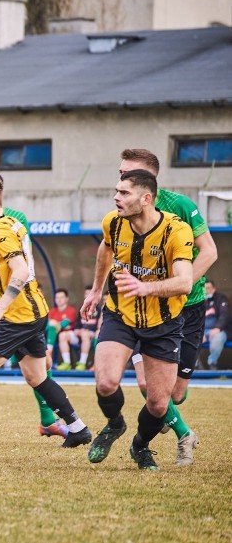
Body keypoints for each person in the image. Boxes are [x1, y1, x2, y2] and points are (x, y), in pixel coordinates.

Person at [0, 173, 92, 450]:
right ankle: (78, 429)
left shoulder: (0, 231)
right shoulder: (12, 223)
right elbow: (22, 266)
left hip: (18, 315)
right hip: (35, 309)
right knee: (36, 376)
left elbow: (20, 270)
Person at [109, 148, 217, 466]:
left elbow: (209, 252)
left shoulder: (181, 206)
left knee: (176, 393)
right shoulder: (123, 207)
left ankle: (171, 429)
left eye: (126, 173)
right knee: (146, 384)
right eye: (120, 174)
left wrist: (180, 289)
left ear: (150, 178)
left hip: (190, 305)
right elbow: (110, 249)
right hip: (147, 310)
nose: (120, 181)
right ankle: (182, 434)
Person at [81, 169, 194, 470]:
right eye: (116, 191)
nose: (116, 198)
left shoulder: (177, 231)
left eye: (124, 193)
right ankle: (115, 424)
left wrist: (146, 288)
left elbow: (185, 282)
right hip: (121, 314)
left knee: (159, 404)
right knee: (105, 383)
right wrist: (95, 290)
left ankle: (140, 445)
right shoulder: (113, 223)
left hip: (164, 322)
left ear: (146, 199)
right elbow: (106, 248)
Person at [74, 286, 103, 370]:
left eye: (90, 294)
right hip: (81, 333)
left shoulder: (98, 309)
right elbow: (78, 323)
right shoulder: (81, 308)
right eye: (86, 294)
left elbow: (98, 326)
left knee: (85, 334)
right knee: (63, 335)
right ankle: (66, 362)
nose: (88, 296)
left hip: (92, 334)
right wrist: (77, 329)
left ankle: (82, 362)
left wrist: (87, 330)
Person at [50, 288, 79, 370]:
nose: (59, 300)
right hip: (54, 336)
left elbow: (63, 325)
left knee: (62, 335)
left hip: (72, 335)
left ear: (67, 299)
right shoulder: (52, 311)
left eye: (61, 297)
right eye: (57, 298)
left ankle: (67, 363)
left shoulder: (71, 310)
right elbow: (49, 326)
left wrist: (56, 324)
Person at [204, 280, 229, 370]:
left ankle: (212, 364)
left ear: (213, 289)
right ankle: (194, 366)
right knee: (192, 339)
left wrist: (217, 328)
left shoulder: (221, 298)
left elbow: (225, 314)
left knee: (218, 339)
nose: (206, 291)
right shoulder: (199, 300)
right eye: (204, 289)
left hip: (218, 330)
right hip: (202, 331)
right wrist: (199, 332)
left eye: (208, 288)